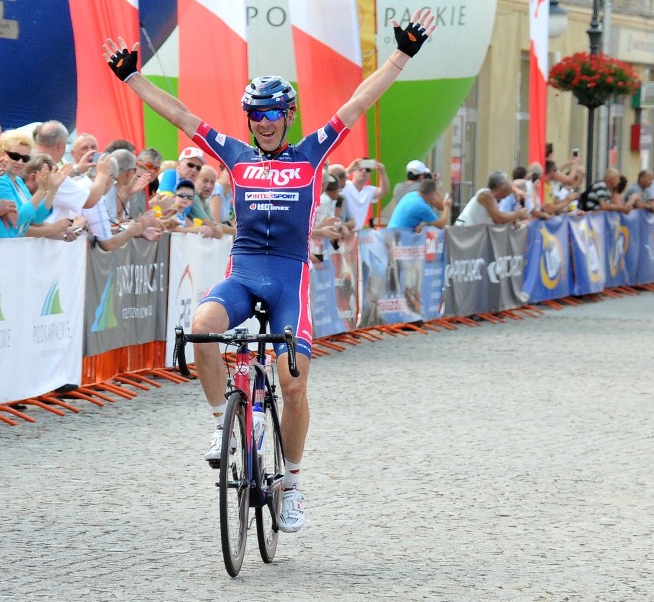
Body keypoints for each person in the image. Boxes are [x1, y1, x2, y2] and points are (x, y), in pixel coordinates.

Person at [104, 5, 435, 533]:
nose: (262, 122)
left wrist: (402, 54)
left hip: (289, 277)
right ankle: (221, 424)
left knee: (294, 383)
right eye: (255, 114)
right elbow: (181, 116)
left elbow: (357, 102)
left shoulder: (312, 152)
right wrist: (132, 77)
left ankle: (293, 486)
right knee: (203, 331)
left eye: (271, 113)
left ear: (288, 116)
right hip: (243, 271)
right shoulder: (234, 154)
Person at [454, 170, 529, 226]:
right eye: (506, 194)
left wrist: (513, 220)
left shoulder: (491, 197)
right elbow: (498, 219)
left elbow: (499, 217)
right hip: (463, 234)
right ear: (501, 188)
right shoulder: (486, 194)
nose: (505, 197)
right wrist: (517, 214)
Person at [341, 157, 389, 229]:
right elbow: (334, 181)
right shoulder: (344, 185)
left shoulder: (369, 191)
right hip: (342, 230)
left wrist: (382, 172)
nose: (364, 171)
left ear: (370, 175)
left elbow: (384, 191)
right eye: (360, 168)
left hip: (357, 233)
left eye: (367, 170)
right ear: (354, 171)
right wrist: (350, 169)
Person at [386, 178, 451, 230]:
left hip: (392, 232)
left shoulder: (411, 195)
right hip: (398, 237)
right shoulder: (421, 206)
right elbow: (441, 225)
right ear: (431, 194)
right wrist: (447, 206)